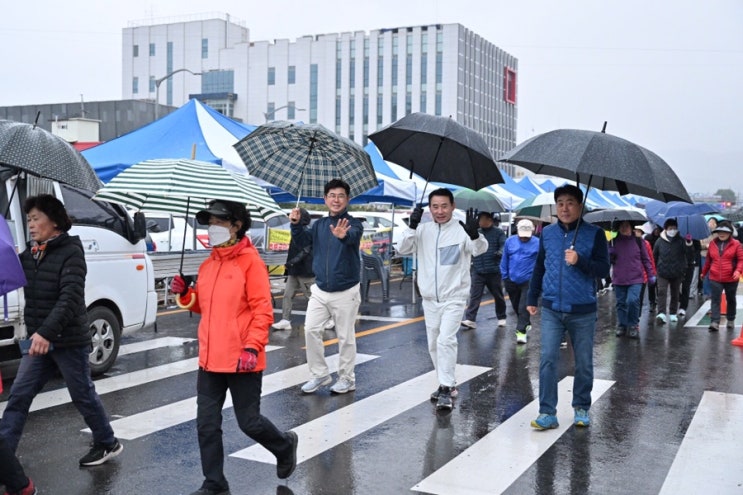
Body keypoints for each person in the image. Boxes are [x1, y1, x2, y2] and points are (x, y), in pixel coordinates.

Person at [171, 199, 298, 495]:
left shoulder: (250, 262)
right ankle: (215, 483)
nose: (212, 228)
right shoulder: (208, 263)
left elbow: (263, 310)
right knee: (206, 425)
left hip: (243, 357)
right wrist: (186, 293)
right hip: (209, 358)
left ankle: (283, 444)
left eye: (218, 222)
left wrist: (252, 346)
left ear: (236, 225)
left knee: (249, 423)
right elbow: (204, 305)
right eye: (209, 222)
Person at [0, 195, 123, 467]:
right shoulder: (30, 254)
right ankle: (4, 457)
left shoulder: (71, 252)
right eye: (28, 219)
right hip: (39, 341)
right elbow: (7, 274)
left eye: (35, 219)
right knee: (19, 395)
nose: (30, 225)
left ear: (54, 221)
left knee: (82, 394)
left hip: (67, 341)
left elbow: (69, 299)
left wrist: (44, 333)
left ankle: (107, 442)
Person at [526, 184, 610, 429]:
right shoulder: (547, 233)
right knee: (548, 359)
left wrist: (580, 260)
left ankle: (581, 406)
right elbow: (540, 266)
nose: (564, 208)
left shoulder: (595, 234)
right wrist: (532, 297)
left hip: (583, 309)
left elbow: (604, 270)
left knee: (583, 362)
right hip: (552, 307)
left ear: (580, 206)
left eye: (570, 202)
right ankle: (547, 412)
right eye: (560, 203)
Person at [397, 189, 488, 411]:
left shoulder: (461, 230)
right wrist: (411, 226)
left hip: (454, 297)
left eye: (444, 206)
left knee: (446, 340)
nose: (440, 211)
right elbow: (402, 248)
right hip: (429, 298)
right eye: (435, 207)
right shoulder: (423, 230)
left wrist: (474, 234)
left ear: (453, 206)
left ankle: (446, 388)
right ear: (429, 208)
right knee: (433, 343)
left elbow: (480, 250)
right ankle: (447, 382)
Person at [289, 179, 364, 395]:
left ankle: (347, 379)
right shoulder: (320, 225)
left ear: (347, 199)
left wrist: (344, 235)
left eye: (341, 195)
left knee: (345, 337)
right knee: (311, 329)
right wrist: (295, 224)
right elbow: (303, 241)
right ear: (325, 199)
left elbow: (353, 236)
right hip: (320, 290)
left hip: (346, 290)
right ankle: (320, 374)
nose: (336, 199)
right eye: (332, 195)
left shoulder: (354, 223)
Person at [272, 208, 333, 331]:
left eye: (297, 214)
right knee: (287, 295)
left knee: (312, 297)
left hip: (305, 270)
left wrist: (290, 263)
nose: (293, 215)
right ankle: (285, 319)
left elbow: (304, 252)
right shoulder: (298, 231)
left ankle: (328, 318)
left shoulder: (307, 233)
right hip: (294, 270)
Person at [461, 211, 507, 329]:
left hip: (494, 270)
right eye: (479, 220)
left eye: (482, 219)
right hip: (478, 269)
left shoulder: (499, 232)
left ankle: (501, 317)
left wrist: (500, 252)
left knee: (498, 295)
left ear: (490, 220)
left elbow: (504, 245)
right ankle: (470, 319)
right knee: (475, 295)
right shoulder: (476, 233)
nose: (480, 222)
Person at [610, 221, 656, 339]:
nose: (624, 228)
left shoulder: (638, 241)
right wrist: (609, 253)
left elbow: (646, 259)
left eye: (627, 226)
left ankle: (633, 325)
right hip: (619, 278)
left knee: (632, 301)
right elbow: (607, 260)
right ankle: (622, 325)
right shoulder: (613, 242)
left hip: (636, 278)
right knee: (621, 303)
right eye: (622, 226)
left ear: (631, 227)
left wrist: (651, 274)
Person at [500, 219, 540, 344]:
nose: (524, 238)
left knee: (523, 306)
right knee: (516, 306)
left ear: (532, 232)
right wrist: (505, 276)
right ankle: (525, 323)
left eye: (526, 236)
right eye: (521, 235)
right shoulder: (509, 241)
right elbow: (505, 259)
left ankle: (521, 331)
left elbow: (541, 262)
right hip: (511, 279)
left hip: (529, 281)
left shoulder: (538, 243)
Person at [700, 221, 743, 331]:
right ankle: (715, 322)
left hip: (731, 277)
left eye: (725, 232)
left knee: (731, 299)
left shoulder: (736, 244)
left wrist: (738, 271)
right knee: (715, 299)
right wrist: (704, 272)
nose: (722, 234)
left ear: (730, 233)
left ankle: (731, 319)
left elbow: (741, 260)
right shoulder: (713, 244)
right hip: (715, 277)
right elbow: (709, 260)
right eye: (719, 232)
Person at [653, 218, 693, 324]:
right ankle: (661, 313)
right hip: (662, 271)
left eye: (675, 228)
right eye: (670, 228)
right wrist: (655, 269)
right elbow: (655, 255)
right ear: (665, 229)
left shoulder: (681, 240)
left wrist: (689, 243)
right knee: (661, 291)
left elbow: (689, 254)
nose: (673, 230)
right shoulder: (659, 241)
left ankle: (672, 312)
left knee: (675, 293)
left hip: (677, 271)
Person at [634, 225, 657, 319]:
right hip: (631, 274)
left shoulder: (645, 243)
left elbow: (650, 258)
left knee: (639, 297)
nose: (636, 233)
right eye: (635, 231)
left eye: (638, 231)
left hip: (642, 275)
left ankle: (637, 317)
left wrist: (652, 272)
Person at [644, 225, 662, 312]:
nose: (656, 231)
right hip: (651, 262)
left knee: (659, 284)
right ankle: (652, 302)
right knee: (651, 284)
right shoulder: (648, 238)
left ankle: (659, 300)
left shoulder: (662, 239)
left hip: (660, 263)